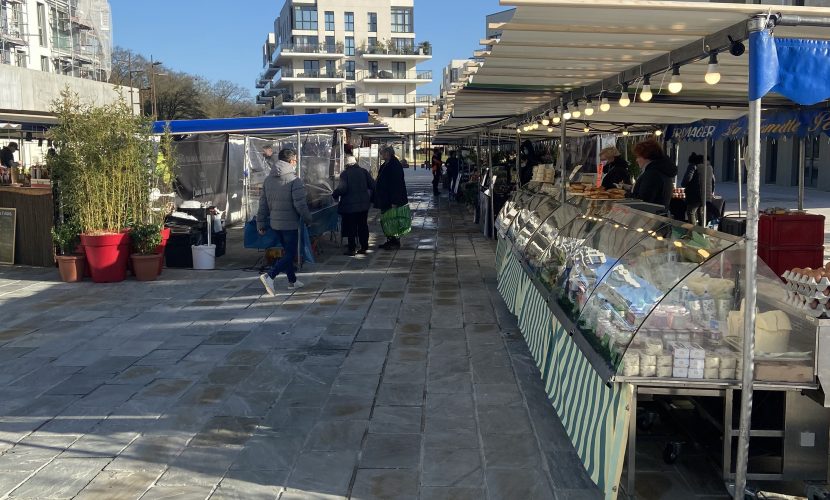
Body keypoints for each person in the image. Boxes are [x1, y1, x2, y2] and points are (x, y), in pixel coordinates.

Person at [257, 148, 313, 295]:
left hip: (275, 224)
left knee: (287, 252)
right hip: (290, 224)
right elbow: (300, 204)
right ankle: (270, 275)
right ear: (291, 161)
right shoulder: (295, 180)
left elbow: (262, 203)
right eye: (295, 160)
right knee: (290, 253)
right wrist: (308, 219)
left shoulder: (268, 180)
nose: (296, 162)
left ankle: (292, 281)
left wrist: (261, 223)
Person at [333, 155, 374, 256]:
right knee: (363, 225)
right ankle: (364, 247)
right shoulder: (364, 171)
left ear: (346, 165)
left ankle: (352, 248)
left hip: (350, 206)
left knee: (351, 226)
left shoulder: (345, 174)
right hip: (364, 205)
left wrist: (335, 194)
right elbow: (372, 185)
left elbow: (342, 189)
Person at [375, 145, 408, 250]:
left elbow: (396, 184)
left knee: (391, 220)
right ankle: (390, 240)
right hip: (385, 198)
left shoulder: (394, 165)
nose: (380, 155)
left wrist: (394, 201)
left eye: (382, 153)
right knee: (387, 220)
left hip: (391, 199)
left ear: (387, 153)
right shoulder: (387, 163)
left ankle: (393, 241)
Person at [631, 140, 677, 209]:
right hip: (659, 215)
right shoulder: (661, 170)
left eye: (638, 157)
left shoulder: (652, 174)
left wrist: (627, 195)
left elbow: (643, 201)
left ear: (646, 156)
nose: (636, 160)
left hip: (650, 216)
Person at [681, 152, 716, 226]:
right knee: (701, 212)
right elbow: (713, 181)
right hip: (706, 194)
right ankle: (701, 231)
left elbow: (687, 179)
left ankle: (693, 232)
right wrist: (711, 192)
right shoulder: (709, 167)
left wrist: (683, 184)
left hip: (694, 194)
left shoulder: (693, 166)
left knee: (691, 212)